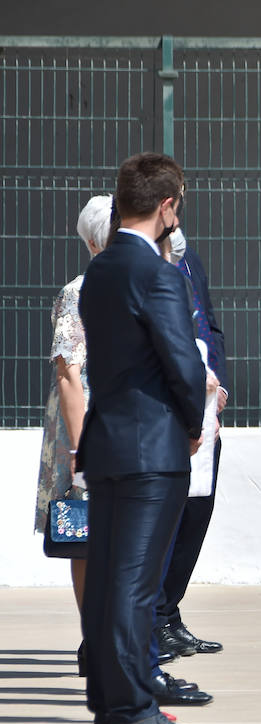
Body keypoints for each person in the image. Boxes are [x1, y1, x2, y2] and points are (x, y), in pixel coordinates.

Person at [78, 152, 208, 724]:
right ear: (166, 206)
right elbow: (183, 362)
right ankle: (131, 710)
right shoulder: (159, 275)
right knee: (135, 585)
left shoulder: (100, 271)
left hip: (106, 443)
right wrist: (192, 421)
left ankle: (109, 706)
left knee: (108, 582)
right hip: (151, 449)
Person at [34, 195, 111, 648]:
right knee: (84, 528)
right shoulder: (79, 292)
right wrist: (81, 448)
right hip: (86, 419)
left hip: (109, 415)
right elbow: (68, 372)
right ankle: (95, 639)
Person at [154, 229, 227, 660]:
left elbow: (210, 328)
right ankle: (151, 624)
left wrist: (219, 390)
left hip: (204, 408)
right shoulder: (129, 272)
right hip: (164, 416)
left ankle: (167, 612)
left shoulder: (187, 260)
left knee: (197, 511)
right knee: (161, 520)